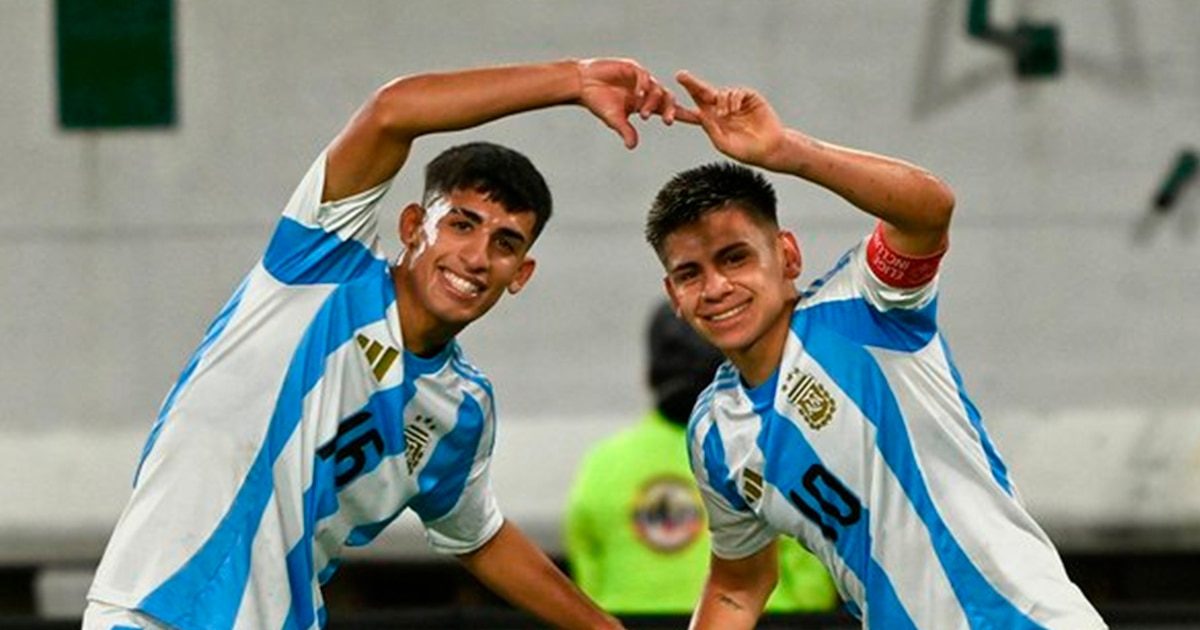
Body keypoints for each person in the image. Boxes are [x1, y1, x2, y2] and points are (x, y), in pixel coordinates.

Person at [83, 58, 681, 630]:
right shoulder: (324, 262)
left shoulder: (460, 410)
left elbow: (480, 537)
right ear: (413, 226)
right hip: (152, 611)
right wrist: (572, 80)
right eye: (462, 224)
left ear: (520, 274)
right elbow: (393, 110)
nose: (476, 257)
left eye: (505, 243)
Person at [642, 70, 1108, 629]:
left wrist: (786, 150)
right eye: (691, 273)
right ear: (674, 294)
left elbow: (928, 209)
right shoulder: (716, 433)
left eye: (735, 258)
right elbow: (739, 583)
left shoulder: (865, 306)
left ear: (787, 255)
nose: (716, 287)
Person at [563, 300, 839, 615]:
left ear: (649, 372)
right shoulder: (777, 456)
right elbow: (812, 593)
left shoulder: (602, 465)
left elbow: (589, 588)